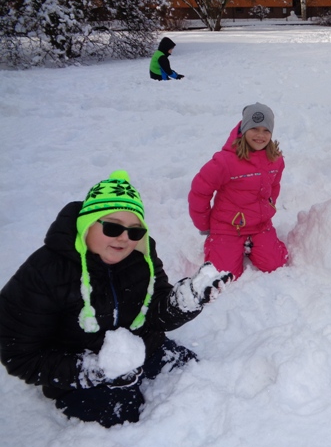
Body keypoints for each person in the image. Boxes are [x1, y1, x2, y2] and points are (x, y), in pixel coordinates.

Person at [0, 170, 232, 427]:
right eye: (112, 227)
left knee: (196, 378)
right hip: (79, 369)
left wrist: (184, 301)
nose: (124, 238)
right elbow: (17, 352)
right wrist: (94, 369)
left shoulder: (141, 257)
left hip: (145, 347)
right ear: (87, 224)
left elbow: (155, 312)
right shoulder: (45, 272)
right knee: (128, 420)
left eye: (134, 232)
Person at [188, 103, 288, 280]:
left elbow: (274, 186)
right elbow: (199, 191)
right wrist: (205, 225)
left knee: (276, 264)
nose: (260, 135)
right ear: (244, 129)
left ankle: (253, 246)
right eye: (254, 128)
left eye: (266, 130)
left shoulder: (275, 159)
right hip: (228, 227)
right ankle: (220, 246)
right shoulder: (225, 162)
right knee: (224, 274)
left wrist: (268, 207)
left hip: (260, 226)